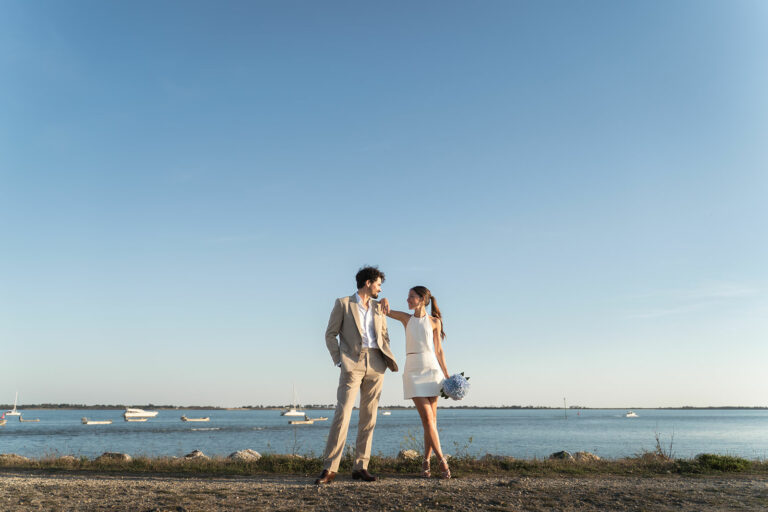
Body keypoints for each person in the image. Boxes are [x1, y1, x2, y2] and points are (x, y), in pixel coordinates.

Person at [314, 266, 398, 485]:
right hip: (352, 363)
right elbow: (330, 334)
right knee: (343, 414)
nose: (380, 288)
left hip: (377, 362)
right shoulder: (343, 303)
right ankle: (330, 468)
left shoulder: (380, 306)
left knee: (369, 417)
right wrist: (340, 360)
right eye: (378, 284)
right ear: (368, 283)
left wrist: (385, 353)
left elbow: (384, 335)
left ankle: (361, 466)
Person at [386, 286, 451, 479]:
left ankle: (426, 461)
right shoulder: (406, 319)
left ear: (422, 299)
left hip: (432, 371)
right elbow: (386, 311)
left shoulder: (434, 321)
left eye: (411, 297)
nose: (407, 300)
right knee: (428, 420)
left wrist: (447, 376)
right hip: (413, 371)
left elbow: (439, 351)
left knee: (431, 422)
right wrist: (382, 301)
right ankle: (442, 461)